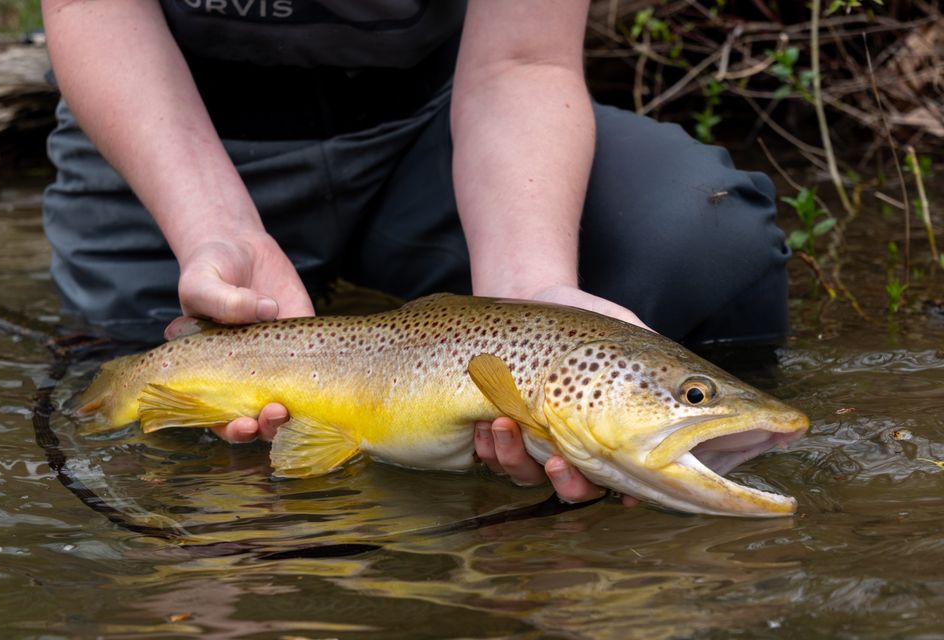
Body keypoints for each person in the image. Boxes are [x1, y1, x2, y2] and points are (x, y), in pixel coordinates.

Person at [41, 0, 790, 504]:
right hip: (160, 130)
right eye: (694, 398)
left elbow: (521, 62)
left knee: (707, 241)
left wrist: (531, 282)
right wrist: (215, 230)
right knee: (129, 401)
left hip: (432, 129)